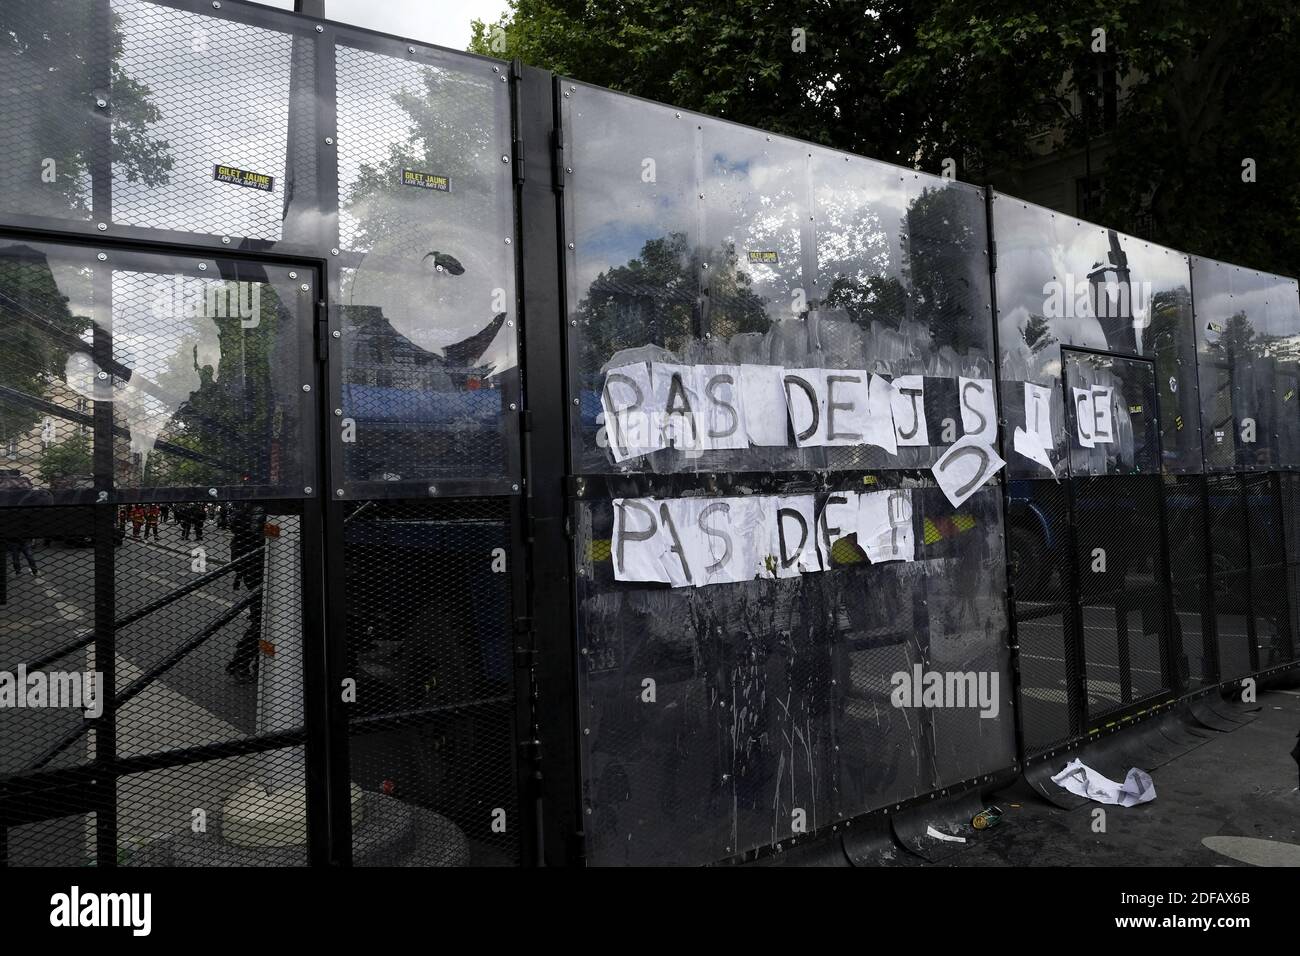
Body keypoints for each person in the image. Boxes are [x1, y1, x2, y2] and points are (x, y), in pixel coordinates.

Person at [225, 502, 267, 683]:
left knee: (264, 619)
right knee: (262, 620)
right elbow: (260, 534)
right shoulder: (261, 509)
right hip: (261, 568)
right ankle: (241, 664)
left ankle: (257, 664)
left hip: (254, 567)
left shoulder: (250, 507)